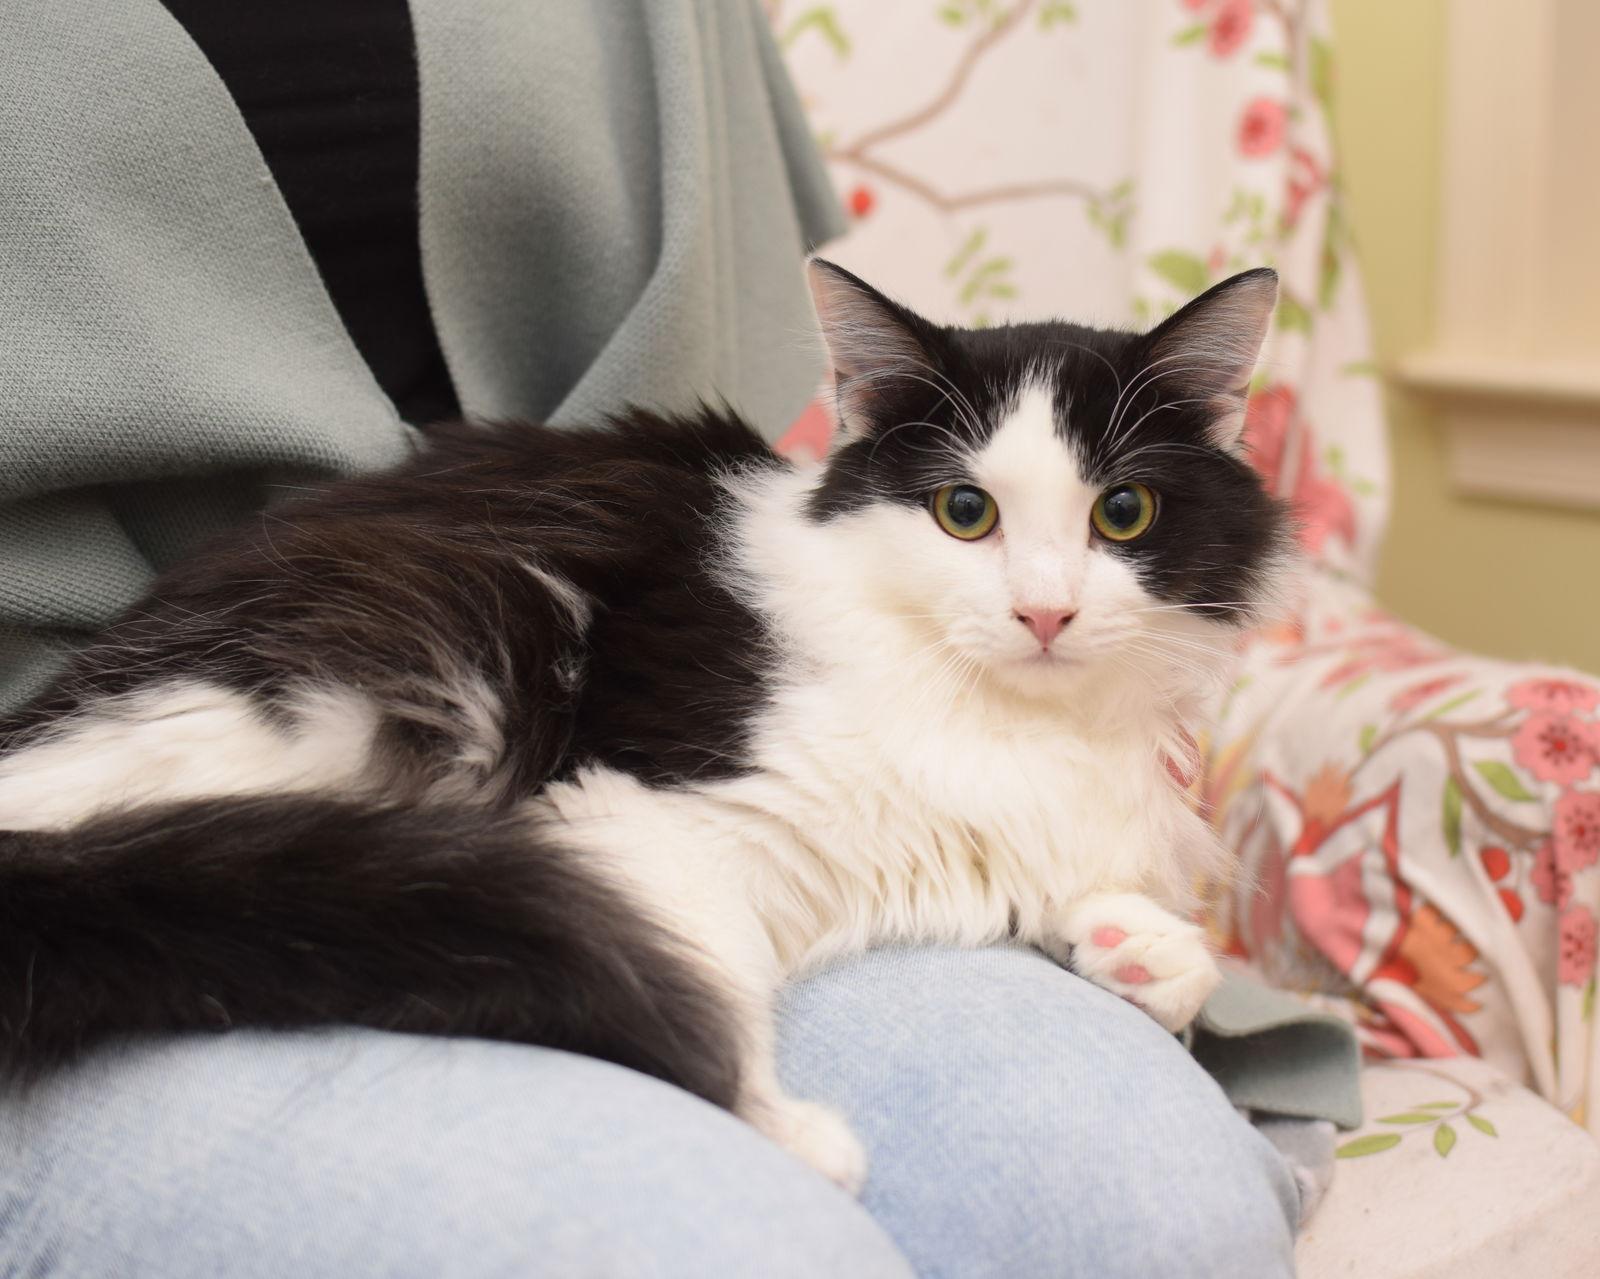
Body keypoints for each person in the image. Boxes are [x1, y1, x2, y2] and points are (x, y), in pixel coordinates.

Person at [0, 2, 1299, 1274]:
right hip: (140, 804)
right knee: (740, 1246)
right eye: (968, 512)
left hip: (535, 797)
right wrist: (732, 1079)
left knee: (1156, 1222)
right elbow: (663, 842)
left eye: (1116, 516)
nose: (1048, 596)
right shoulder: (813, 637)